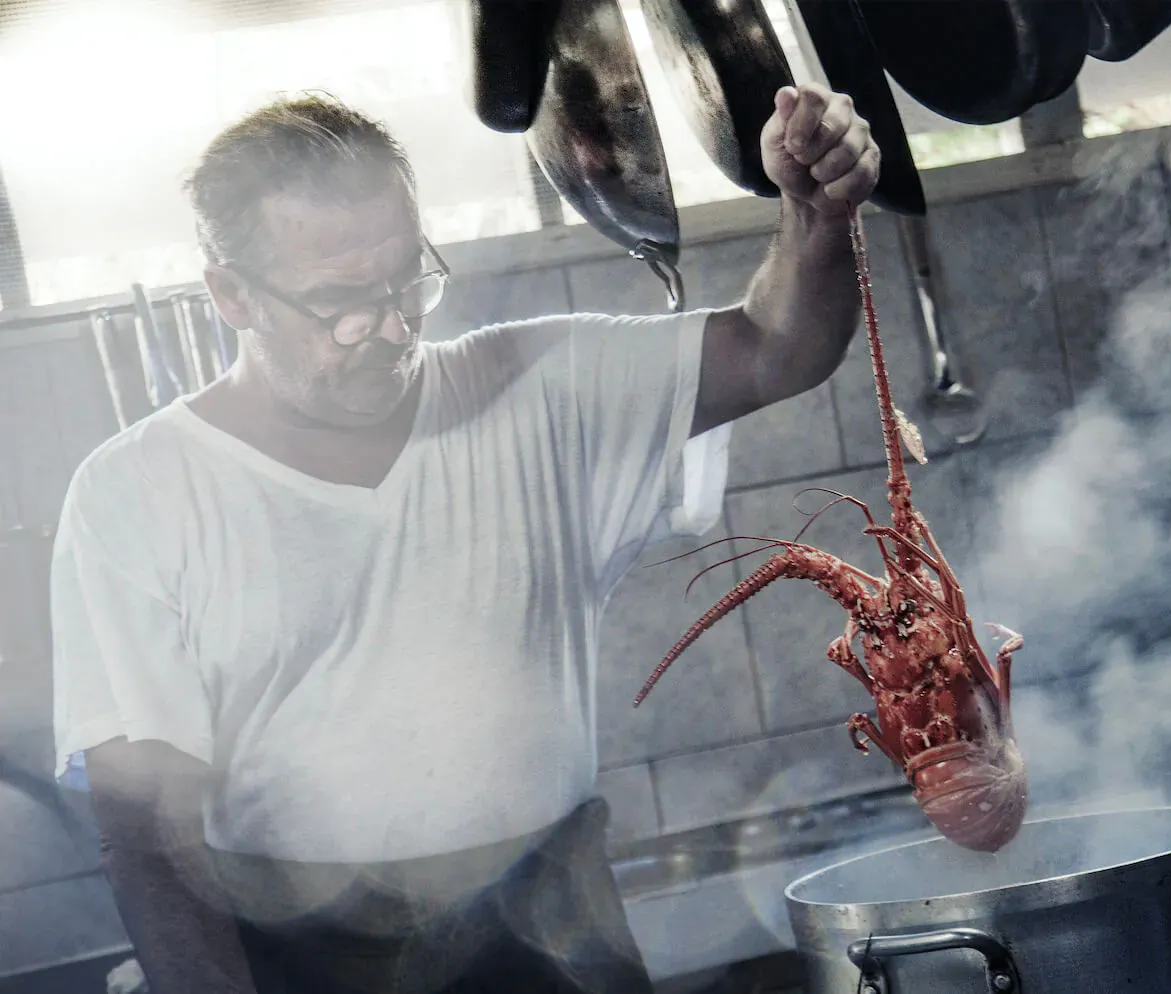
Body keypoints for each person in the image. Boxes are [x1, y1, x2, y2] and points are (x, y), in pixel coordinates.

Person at [49, 80, 879, 994]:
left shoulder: (535, 388)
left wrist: (816, 213)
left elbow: (777, 347)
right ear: (230, 296)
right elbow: (146, 839)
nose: (395, 330)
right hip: (308, 961)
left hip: (559, 932)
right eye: (343, 306)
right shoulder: (137, 492)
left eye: (408, 281)